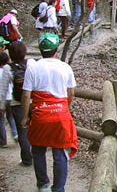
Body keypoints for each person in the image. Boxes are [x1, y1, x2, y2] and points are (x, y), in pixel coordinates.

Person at [21, 33, 77, 192]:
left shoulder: (33, 67)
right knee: (60, 152)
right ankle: (58, 188)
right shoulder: (65, 67)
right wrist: (63, 107)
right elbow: (70, 92)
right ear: (56, 50)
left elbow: (26, 94)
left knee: (38, 150)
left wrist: (25, 116)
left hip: (39, 114)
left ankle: (43, 184)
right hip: (60, 115)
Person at [0, 41, 33, 166]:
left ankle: (26, 159)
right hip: (32, 101)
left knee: (22, 132)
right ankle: (37, 155)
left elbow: (3, 89)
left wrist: (2, 106)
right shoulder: (30, 64)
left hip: (16, 103)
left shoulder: (8, 68)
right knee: (34, 130)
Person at [0, 51, 18, 147]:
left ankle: (3, 141)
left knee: (1, 120)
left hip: (1, 98)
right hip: (10, 97)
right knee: (11, 117)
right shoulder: (9, 70)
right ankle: (15, 134)